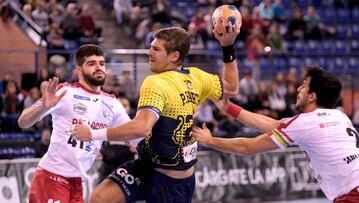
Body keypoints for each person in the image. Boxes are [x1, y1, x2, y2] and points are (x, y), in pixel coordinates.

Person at [73, 24, 240, 203]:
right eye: (151, 47)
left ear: (174, 56)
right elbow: (232, 87)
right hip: (147, 167)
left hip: (171, 182)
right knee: (99, 198)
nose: (149, 52)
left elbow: (142, 128)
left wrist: (92, 134)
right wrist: (227, 47)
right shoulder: (197, 77)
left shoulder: (156, 82)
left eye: (156, 49)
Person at [193, 66, 359, 202]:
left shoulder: (305, 123)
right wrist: (228, 107)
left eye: (303, 85)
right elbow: (275, 126)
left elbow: (248, 147)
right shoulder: (339, 115)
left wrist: (211, 140)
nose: (298, 88)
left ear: (312, 96)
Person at [17, 44, 131, 203]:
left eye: (101, 63)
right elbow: (23, 121)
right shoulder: (65, 92)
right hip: (52, 176)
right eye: (91, 64)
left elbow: (134, 133)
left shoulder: (112, 103)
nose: (98, 67)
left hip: (77, 182)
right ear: (79, 70)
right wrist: (43, 107)